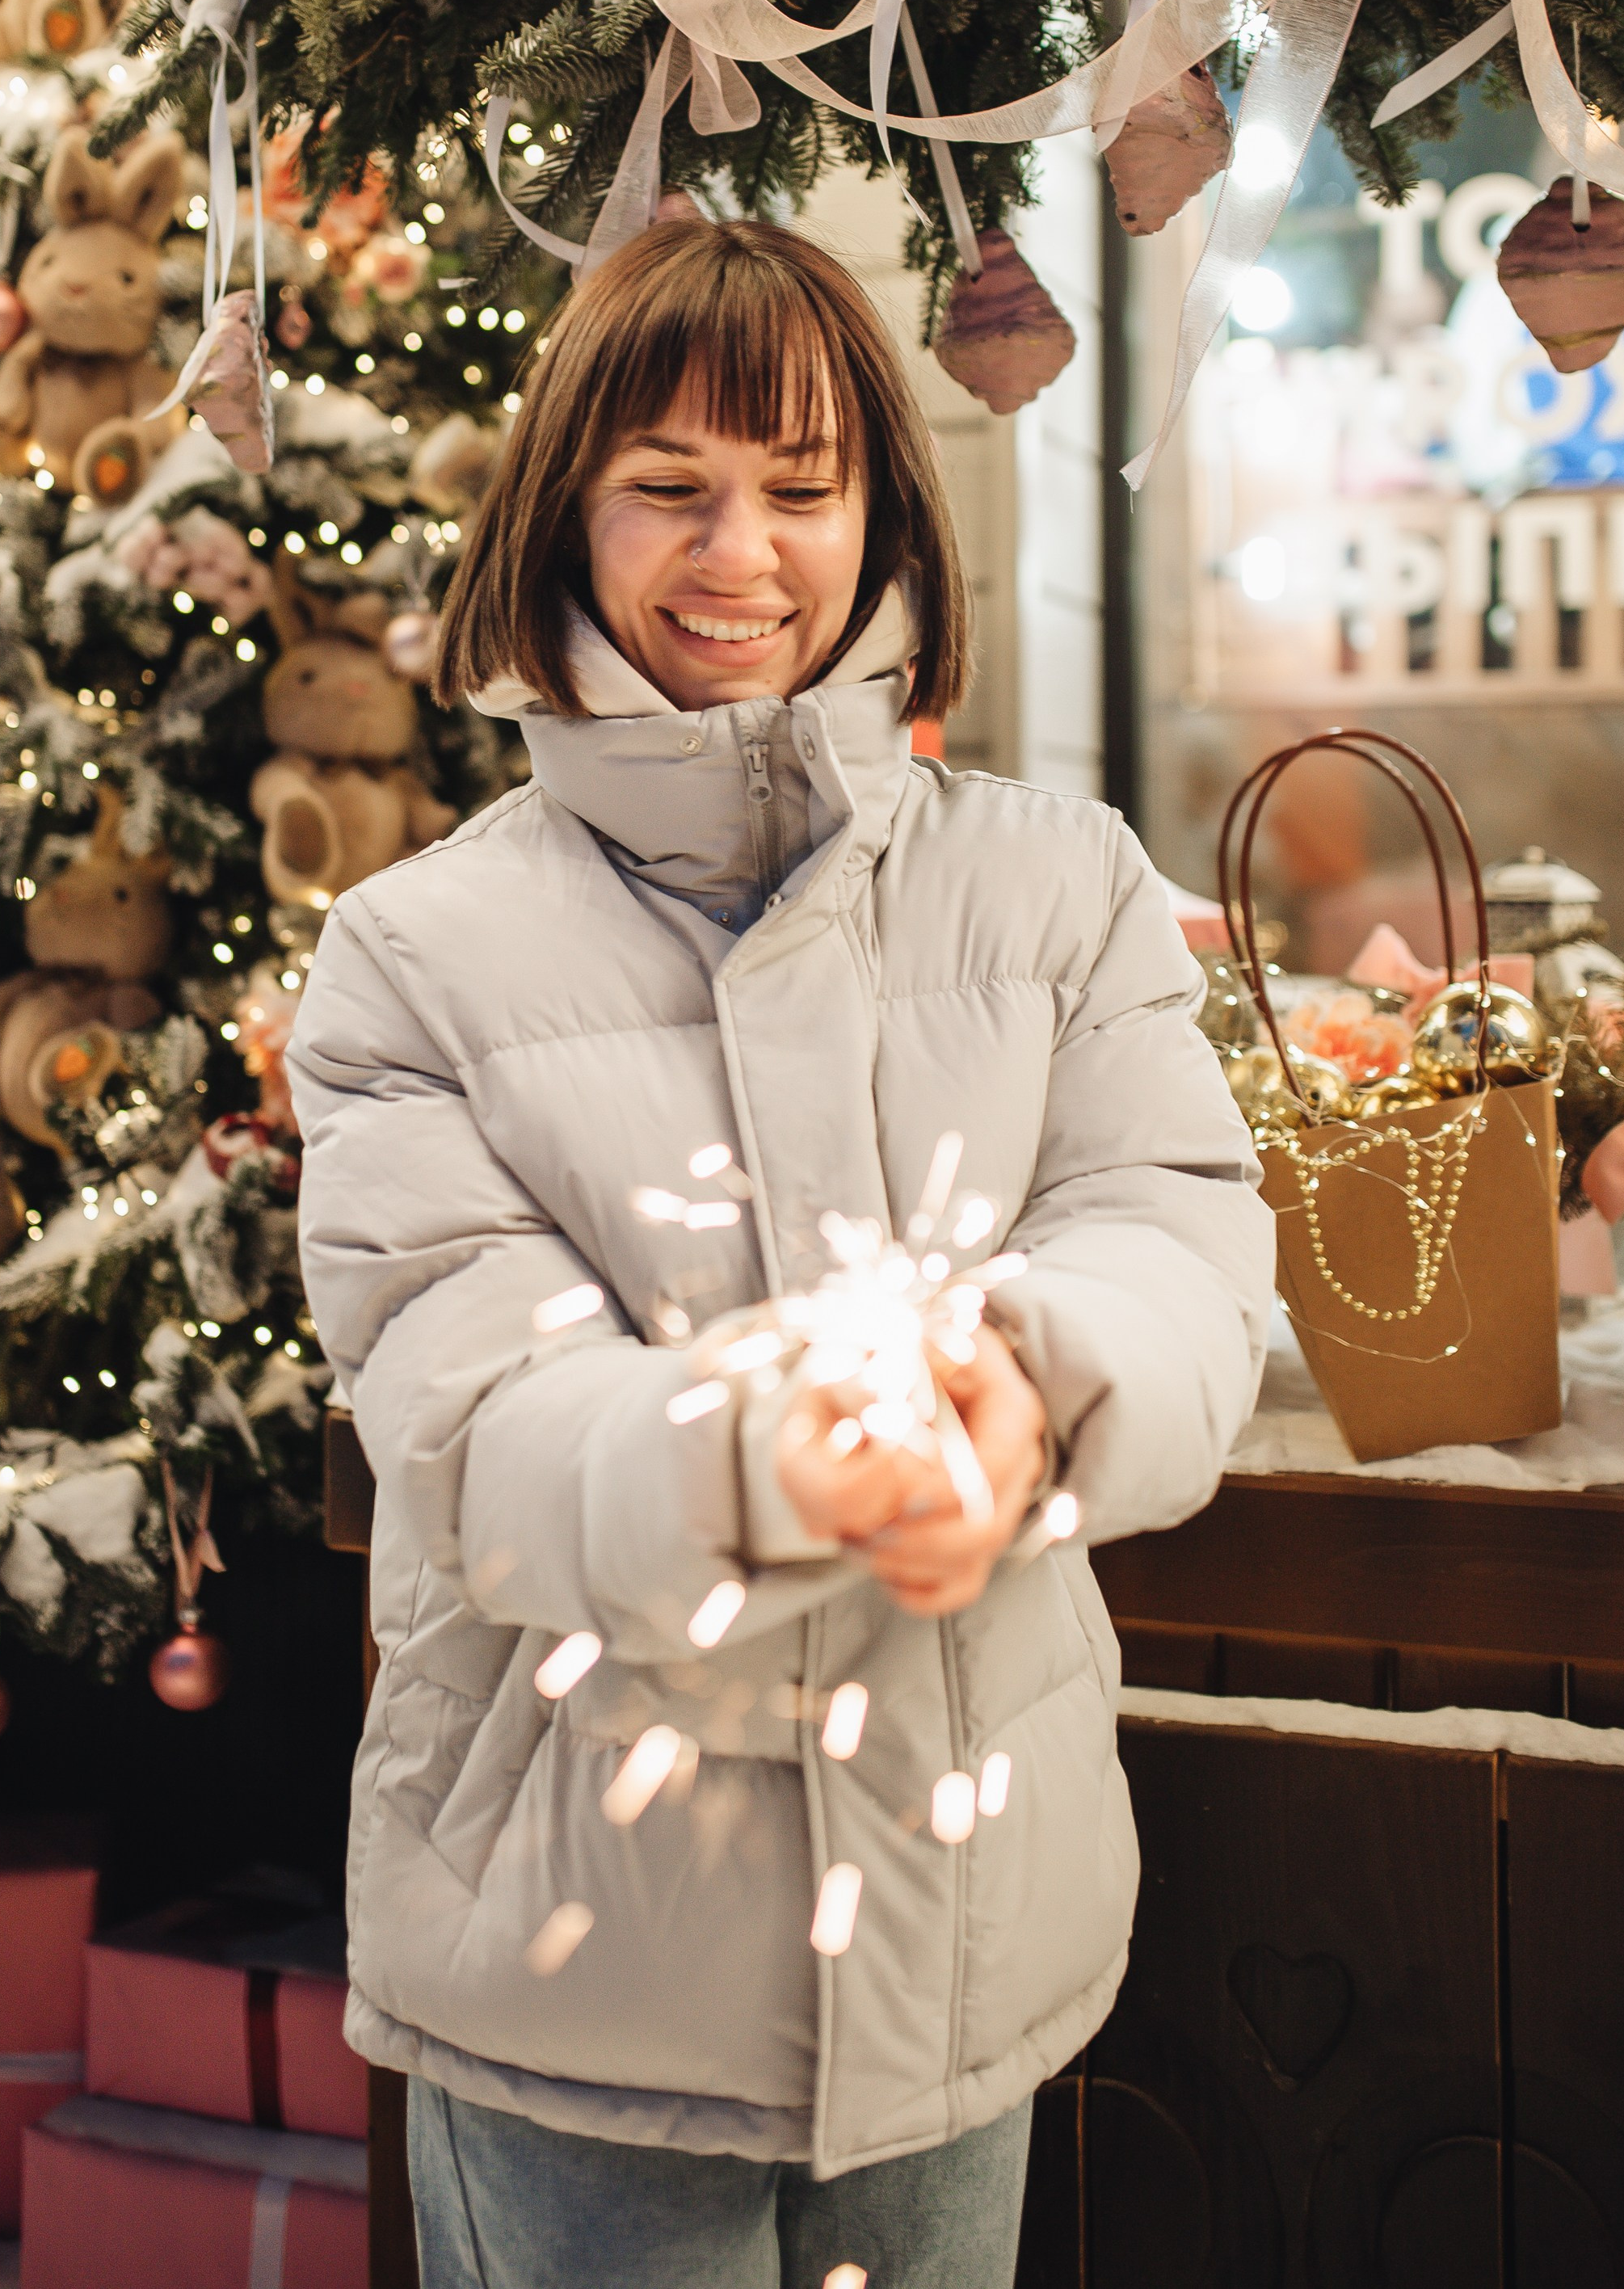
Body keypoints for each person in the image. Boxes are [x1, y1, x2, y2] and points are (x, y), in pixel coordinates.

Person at [288, 214, 1274, 2289]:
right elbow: (475, 1416)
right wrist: (762, 1456)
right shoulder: (413, 954)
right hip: (575, 1971)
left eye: (798, 486)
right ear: (566, 514)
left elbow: (1175, 1237)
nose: (737, 550)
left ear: (879, 512)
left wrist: (1028, 1382)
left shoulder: (1059, 885)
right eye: (667, 485)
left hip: (964, 1925)